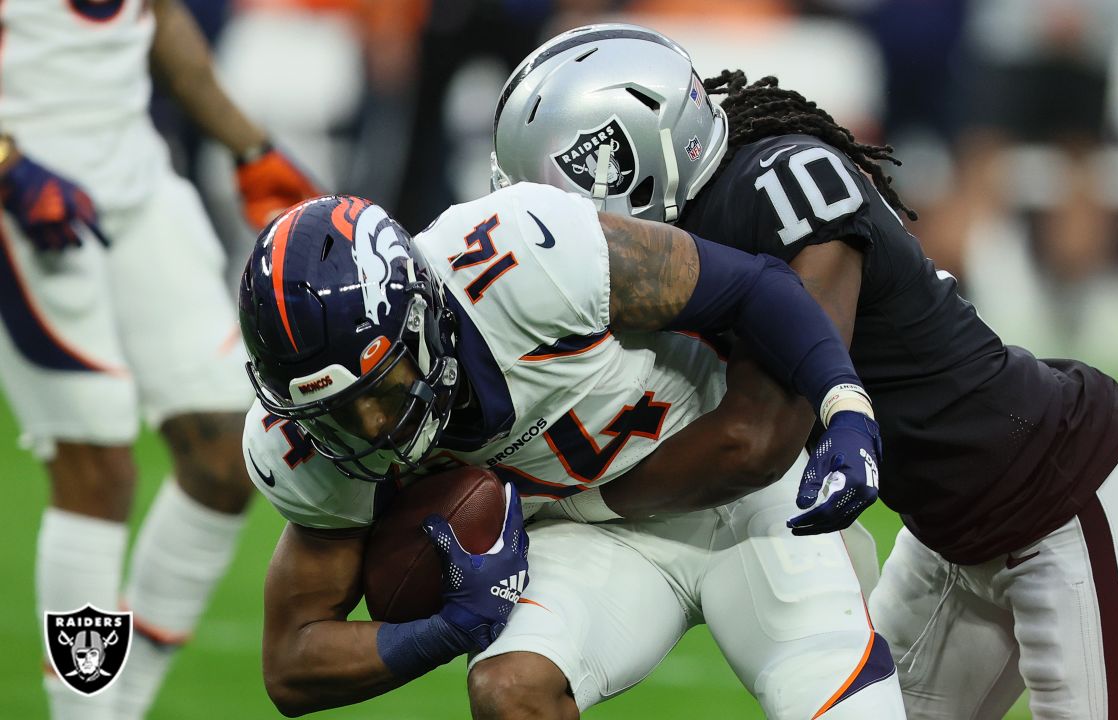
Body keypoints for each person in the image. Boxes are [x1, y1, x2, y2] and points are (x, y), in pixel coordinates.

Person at [491, 24, 1118, 719]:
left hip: (1064, 499)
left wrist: (577, 501)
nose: (554, 225)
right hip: (947, 539)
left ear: (625, 158)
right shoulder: (693, 219)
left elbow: (760, 436)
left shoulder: (779, 184)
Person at [238, 189, 905, 718]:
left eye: (381, 386)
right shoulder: (304, 447)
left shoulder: (518, 259)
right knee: (510, 689)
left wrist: (841, 402)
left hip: (736, 492)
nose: (372, 425)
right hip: (586, 536)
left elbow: (753, 287)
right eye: (333, 415)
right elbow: (291, 664)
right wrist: (448, 628)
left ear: (422, 317)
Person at [0, 1, 317, 718]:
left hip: (134, 181)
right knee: (97, 468)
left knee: (228, 447)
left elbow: (157, 15)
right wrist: (9, 163)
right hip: (23, 196)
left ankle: (122, 704)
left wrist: (249, 146)